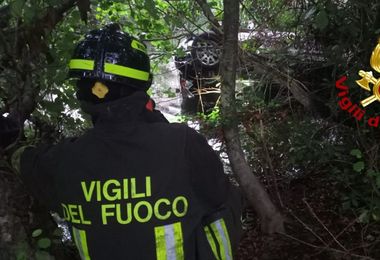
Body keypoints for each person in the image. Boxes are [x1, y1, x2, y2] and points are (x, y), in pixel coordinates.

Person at [18, 24, 241, 259]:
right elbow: (221, 199)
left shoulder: (61, 161)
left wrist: (12, 139)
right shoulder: (182, 144)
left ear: (81, 94)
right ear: (142, 86)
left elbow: (24, 161)